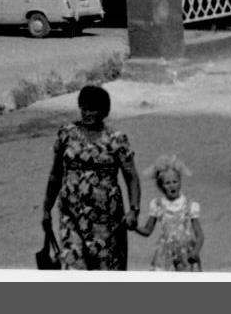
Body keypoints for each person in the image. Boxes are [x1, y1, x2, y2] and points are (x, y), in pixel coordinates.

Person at [42, 83, 140, 270]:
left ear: (104, 112)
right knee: (73, 266)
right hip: (71, 216)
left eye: (93, 109)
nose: (87, 113)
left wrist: (134, 209)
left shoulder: (116, 139)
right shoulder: (67, 135)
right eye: (84, 108)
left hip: (106, 221)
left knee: (106, 269)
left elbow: (131, 176)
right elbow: (55, 174)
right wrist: (47, 208)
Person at [134, 154, 203, 271]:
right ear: (161, 186)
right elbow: (147, 230)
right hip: (165, 255)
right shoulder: (157, 205)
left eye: (175, 181)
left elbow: (199, 235)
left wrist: (196, 251)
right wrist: (134, 226)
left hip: (186, 253)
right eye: (167, 183)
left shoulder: (190, 206)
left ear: (180, 182)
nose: (172, 185)